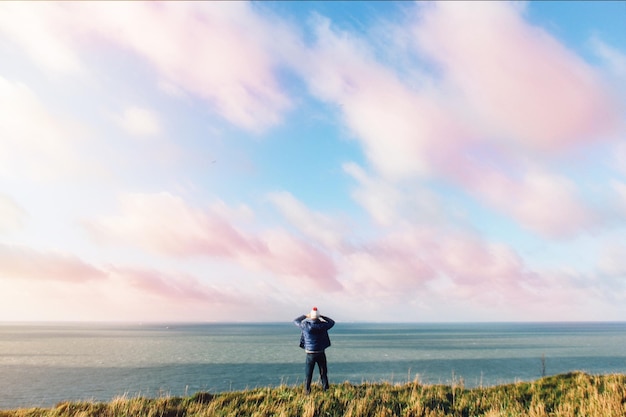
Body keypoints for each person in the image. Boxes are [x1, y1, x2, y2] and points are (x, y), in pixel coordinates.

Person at [293, 307, 335, 394]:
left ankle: (307, 391)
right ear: (318, 316)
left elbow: (296, 321)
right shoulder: (323, 325)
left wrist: (305, 316)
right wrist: (322, 316)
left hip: (310, 353)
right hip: (321, 352)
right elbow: (332, 322)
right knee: (323, 372)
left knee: (308, 373)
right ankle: (326, 389)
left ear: (311, 316)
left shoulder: (305, 325)